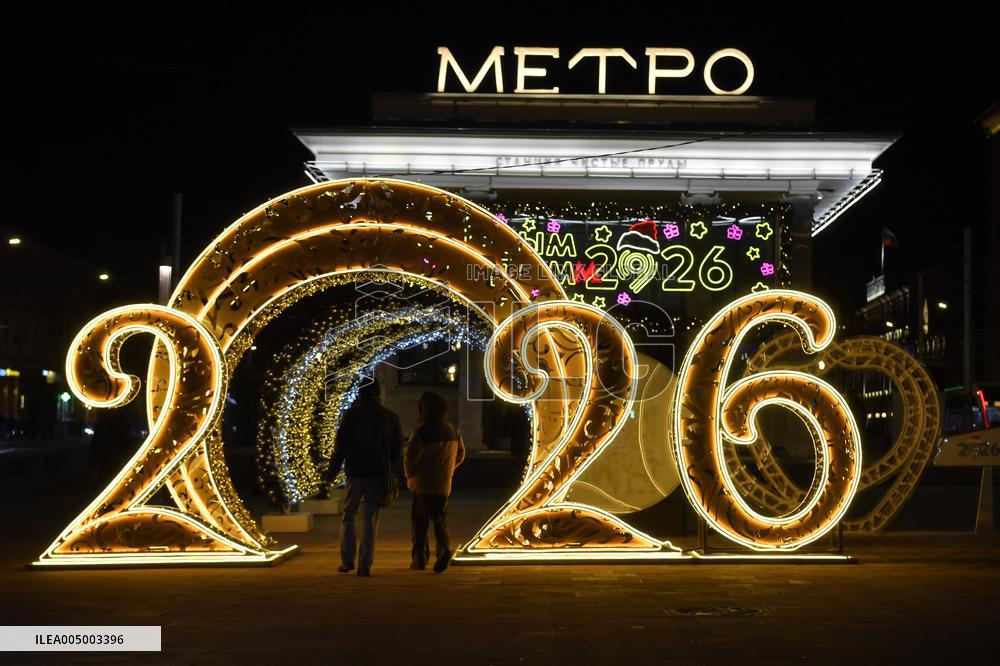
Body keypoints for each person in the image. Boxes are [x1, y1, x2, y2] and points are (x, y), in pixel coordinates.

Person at [328, 378, 403, 577]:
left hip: (355, 471)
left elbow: (340, 448)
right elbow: (396, 449)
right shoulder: (390, 417)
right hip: (377, 472)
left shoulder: (351, 416)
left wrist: (330, 474)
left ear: (360, 393)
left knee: (348, 515)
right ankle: (365, 564)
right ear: (379, 393)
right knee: (370, 519)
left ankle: (347, 560)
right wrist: (387, 465)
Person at [404, 391, 466, 573]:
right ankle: (444, 548)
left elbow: (411, 458)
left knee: (420, 522)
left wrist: (410, 475)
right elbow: (461, 454)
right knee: (440, 518)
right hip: (443, 482)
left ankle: (419, 559)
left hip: (422, 483)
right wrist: (449, 469)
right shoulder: (453, 430)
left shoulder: (422, 432)